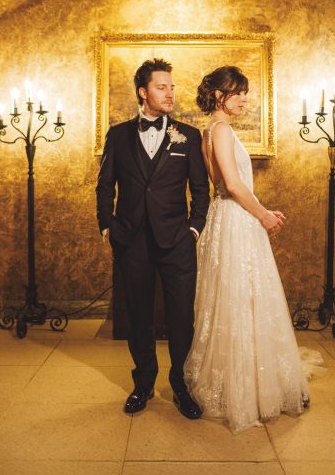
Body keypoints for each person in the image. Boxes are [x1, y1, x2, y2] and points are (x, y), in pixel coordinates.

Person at [185, 65, 321, 433]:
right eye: (238, 92)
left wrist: (260, 208)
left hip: (225, 218)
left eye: (245, 92)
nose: (246, 99)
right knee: (244, 299)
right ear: (218, 96)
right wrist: (263, 214)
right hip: (237, 221)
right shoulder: (223, 130)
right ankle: (249, 391)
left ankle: (240, 382)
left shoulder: (207, 131)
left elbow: (222, 184)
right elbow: (230, 182)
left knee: (233, 299)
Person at [96, 58, 211, 418]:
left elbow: (200, 190)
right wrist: (107, 225)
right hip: (131, 241)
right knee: (138, 316)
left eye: (172, 87)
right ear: (143, 92)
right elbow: (104, 185)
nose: (170, 93)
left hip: (177, 240)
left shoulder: (188, 136)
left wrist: (193, 228)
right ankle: (143, 384)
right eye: (162, 87)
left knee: (181, 318)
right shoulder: (117, 135)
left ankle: (181, 386)